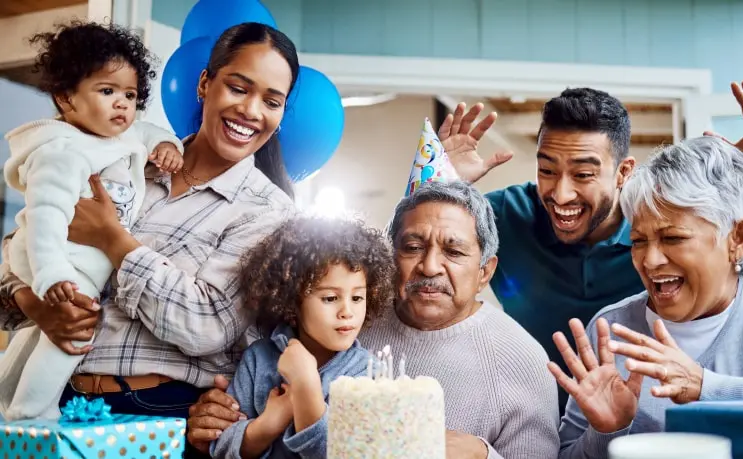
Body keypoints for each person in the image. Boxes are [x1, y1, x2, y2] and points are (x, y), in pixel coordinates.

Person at [0, 20, 296, 447]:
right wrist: (36, 302)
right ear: (204, 84)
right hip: (56, 404)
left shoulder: (268, 212)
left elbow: (206, 325)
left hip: (160, 413)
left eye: (272, 101)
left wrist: (113, 240)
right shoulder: (127, 156)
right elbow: (25, 246)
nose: (251, 111)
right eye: (238, 87)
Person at [437, 84, 743, 411]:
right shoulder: (508, 214)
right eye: (547, 171)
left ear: (623, 172)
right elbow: (416, 257)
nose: (561, 192)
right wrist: (438, 182)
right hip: (537, 422)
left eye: (583, 174)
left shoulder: (664, 220)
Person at [187, 181, 561, 459]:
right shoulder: (352, 324)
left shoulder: (522, 359)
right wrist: (218, 419)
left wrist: (481, 454)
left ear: (485, 271)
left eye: (454, 251)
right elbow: (229, 423)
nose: (429, 265)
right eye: (412, 247)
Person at [548, 135, 743, 459]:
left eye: (673, 237)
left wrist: (705, 386)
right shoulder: (610, 331)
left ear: (738, 238)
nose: (650, 260)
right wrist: (607, 431)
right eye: (638, 241)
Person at [0, 20, 184, 421]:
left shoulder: (117, 134)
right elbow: (45, 216)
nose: (122, 104)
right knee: (72, 338)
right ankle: (33, 414)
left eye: (130, 95)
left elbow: (144, 131)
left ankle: (7, 401)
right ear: (66, 99)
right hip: (61, 260)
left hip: (77, 257)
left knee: (33, 337)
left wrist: (167, 145)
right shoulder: (62, 153)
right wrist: (51, 275)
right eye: (107, 91)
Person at [210, 216, 394, 459]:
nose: (347, 311)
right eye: (330, 298)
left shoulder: (370, 374)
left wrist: (306, 387)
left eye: (357, 298)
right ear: (291, 301)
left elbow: (346, 454)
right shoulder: (258, 358)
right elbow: (221, 447)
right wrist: (268, 424)